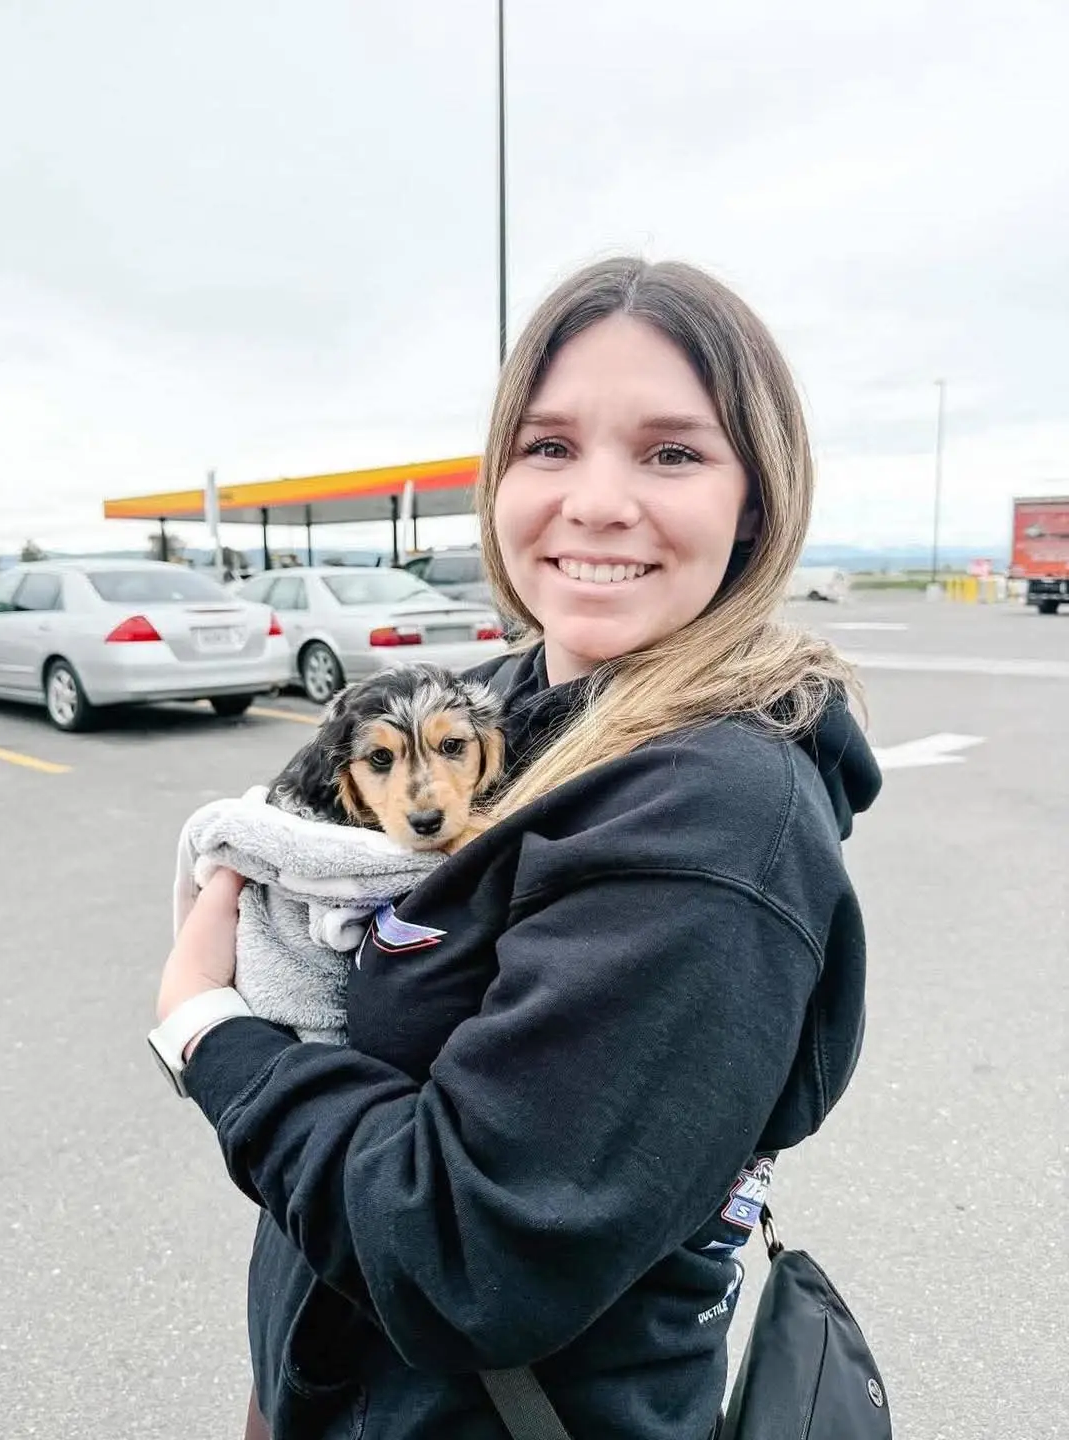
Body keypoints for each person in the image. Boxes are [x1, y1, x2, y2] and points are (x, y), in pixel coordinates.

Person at [154, 257, 882, 1440]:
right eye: (547, 446)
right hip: (337, 1384)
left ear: (754, 498)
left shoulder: (710, 819)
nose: (594, 502)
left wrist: (208, 1034)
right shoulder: (501, 701)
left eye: (670, 453)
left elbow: (466, 1258)